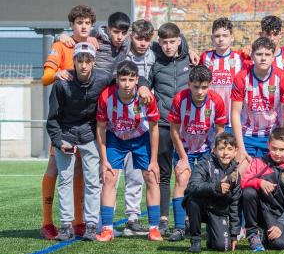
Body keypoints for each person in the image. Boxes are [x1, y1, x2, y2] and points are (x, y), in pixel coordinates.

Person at [46, 43, 114, 241]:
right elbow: (52, 119)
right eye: (80, 61)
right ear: (74, 61)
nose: (84, 65)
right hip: (66, 135)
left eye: (88, 61)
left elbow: (126, 75)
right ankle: (66, 225)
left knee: (93, 181)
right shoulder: (62, 83)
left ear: (93, 62)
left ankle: (91, 225)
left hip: (90, 136)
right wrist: (59, 143)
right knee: (65, 181)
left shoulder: (103, 77)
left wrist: (143, 84)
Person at [39, 4, 96, 239]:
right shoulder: (61, 44)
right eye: (78, 23)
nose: (83, 27)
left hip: (87, 121)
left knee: (82, 171)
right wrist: (57, 73)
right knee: (56, 168)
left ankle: (80, 221)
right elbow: (45, 79)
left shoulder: (95, 43)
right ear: (71, 25)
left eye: (87, 23)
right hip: (63, 121)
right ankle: (47, 222)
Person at [95, 61, 162, 242]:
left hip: (141, 138)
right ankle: (107, 229)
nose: (126, 84)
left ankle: (154, 228)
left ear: (136, 81)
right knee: (109, 178)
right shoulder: (106, 97)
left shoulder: (146, 98)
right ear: (117, 80)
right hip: (116, 138)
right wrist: (103, 159)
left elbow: (155, 128)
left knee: (151, 176)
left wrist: (154, 160)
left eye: (131, 80)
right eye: (123, 79)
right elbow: (100, 128)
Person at [143, 22, 195, 236]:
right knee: (163, 174)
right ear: (159, 43)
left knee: (187, 174)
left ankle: (188, 219)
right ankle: (163, 219)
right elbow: (146, 81)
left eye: (172, 42)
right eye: (164, 42)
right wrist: (143, 84)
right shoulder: (154, 62)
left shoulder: (190, 60)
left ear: (179, 40)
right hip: (163, 124)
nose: (168, 46)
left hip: (187, 127)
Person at [165, 66, 227, 241]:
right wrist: (183, 157)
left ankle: (209, 226)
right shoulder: (179, 99)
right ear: (189, 84)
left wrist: (216, 154)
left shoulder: (217, 101)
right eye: (196, 87)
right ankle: (178, 227)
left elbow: (220, 132)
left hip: (207, 149)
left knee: (209, 185)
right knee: (182, 178)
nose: (200, 91)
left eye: (204, 87)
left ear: (210, 85)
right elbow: (174, 131)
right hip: (184, 148)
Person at [230, 37, 284, 165]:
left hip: (271, 137)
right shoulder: (241, 78)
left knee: (272, 178)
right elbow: (235, 113)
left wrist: (279, 141)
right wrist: (241, 148)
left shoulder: (283, 78)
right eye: (259, 54)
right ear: (252, 56)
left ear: (273, 57)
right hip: (247, 136)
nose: (263, 58)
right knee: (242, 175)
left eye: (267, 54)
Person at [240, 127, 284, 251]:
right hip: (259, 211)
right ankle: (252, 234)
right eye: (274, 148)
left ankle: (267, 236)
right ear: (268, 145)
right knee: (248, 192)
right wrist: (259, 182)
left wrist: (281, 225)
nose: (277, 153)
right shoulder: (259, 162)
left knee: (278, 245)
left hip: (276, 214)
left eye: (282, 149)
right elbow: (243, 182)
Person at [183, 132, 242, 253]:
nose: (225, 153)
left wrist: (234, 234)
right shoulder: (204, 164)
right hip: (202, 207)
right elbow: (191, 187)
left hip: (218, 211)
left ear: (236, 151)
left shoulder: (235, 174)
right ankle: (195, 240)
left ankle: (212, 233)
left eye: (230, 149)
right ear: (214, 150)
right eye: (221, 149)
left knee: (223, 247)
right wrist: (215, 188)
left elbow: (235, 204)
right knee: (192, 199)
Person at [199, 17, 246, 127]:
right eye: (217, 36)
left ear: (232, 38)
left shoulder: (240, 58)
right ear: (212, 38)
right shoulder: (205, 57)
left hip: (233, 118)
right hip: (209, 117)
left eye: (225, 36)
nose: (221, 39)